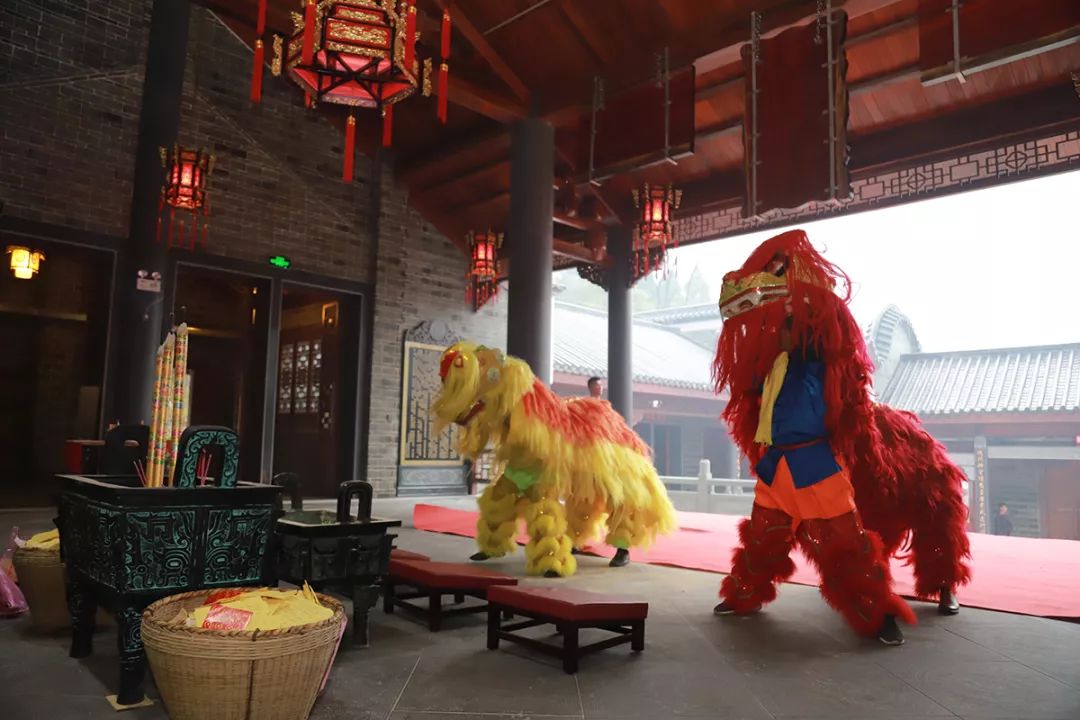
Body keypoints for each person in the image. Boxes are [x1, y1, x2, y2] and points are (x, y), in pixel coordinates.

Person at [709, 229, 970, 646]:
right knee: (763, 536)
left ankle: (880, 613)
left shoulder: (820, 348)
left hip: (815, 461)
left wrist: (797, 309)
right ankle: (744, 594)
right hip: (778, 461)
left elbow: (836, 355)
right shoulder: (775, 361)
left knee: (844, 542)